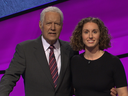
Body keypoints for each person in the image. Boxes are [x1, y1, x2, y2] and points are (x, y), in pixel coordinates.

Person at [0, 6, 117, 96]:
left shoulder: (71, 49)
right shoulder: (25, 49)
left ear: (61, 26)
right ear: (41, 25)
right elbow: (9, 78)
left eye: (56, 24)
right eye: (48, 23)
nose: (52, 28)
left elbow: (79, 82)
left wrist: (103, 90)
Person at [70, 17, 128, 96]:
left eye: (94, 32)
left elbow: (123, 93)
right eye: (86, 32)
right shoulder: (74, 61)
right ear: (81, 35)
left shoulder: (113, 61)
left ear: (100, 35)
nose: (90, 36)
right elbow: (70, 89)